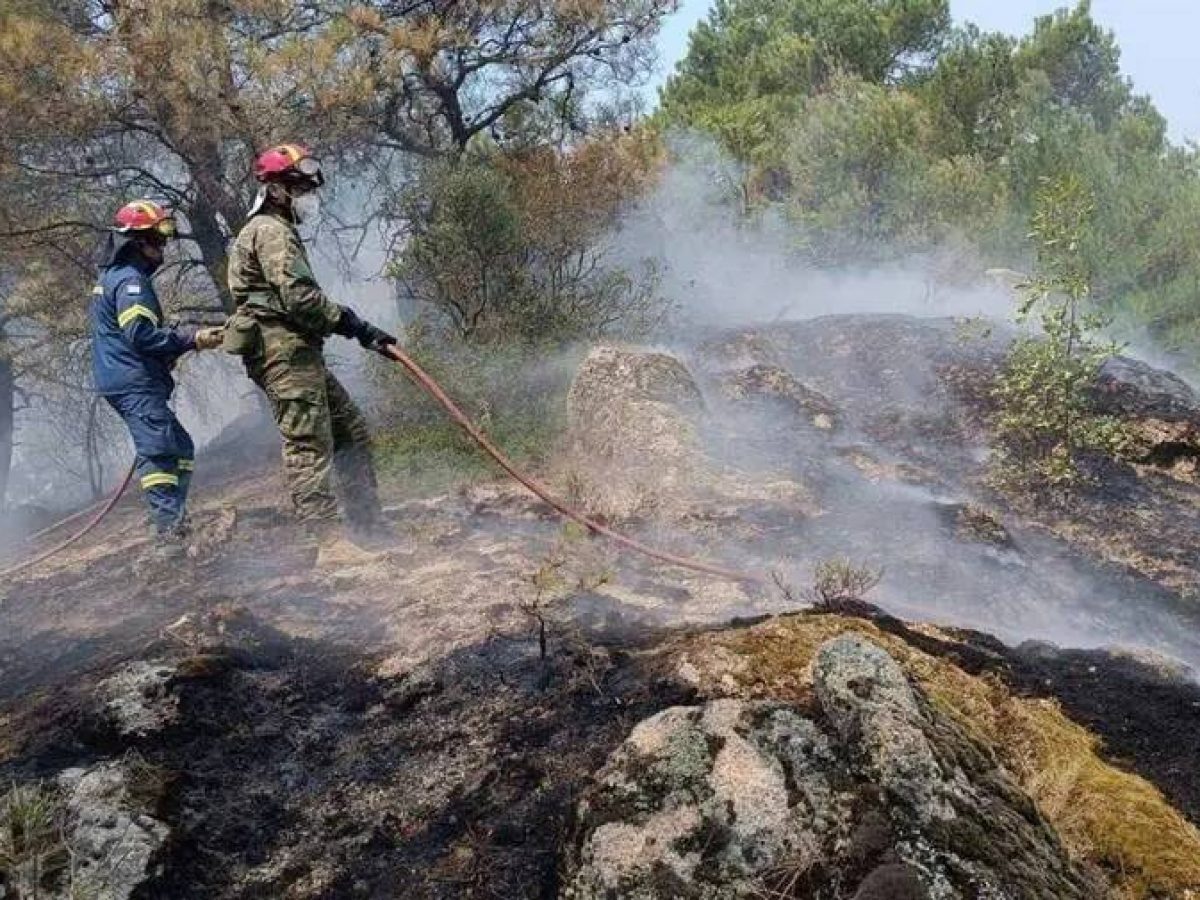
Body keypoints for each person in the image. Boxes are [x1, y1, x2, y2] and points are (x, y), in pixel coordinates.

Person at [225, 143, 397, 563]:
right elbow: (299, 297)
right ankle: (327, 543)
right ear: (279, 189)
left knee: (349, 432)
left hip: (299, 350)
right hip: (281, 351)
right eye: (302, 188)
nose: (309, 197)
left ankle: (366, 528)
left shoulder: (276, 231)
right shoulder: (269, 231)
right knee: (308, 442)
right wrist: (352, 324)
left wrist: (353, 327)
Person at [90, 200, 224, 557]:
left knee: (180, 447)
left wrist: (178, 345)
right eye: (158, 239)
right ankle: (169, 536)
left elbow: (133, 338)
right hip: (134, 382)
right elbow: (139, 334)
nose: (162, 248)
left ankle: (175, 521)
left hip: (126, 378)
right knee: (161, 452)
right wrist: (188, 338)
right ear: (137, 242)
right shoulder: (132, 282)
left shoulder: (112, 278)